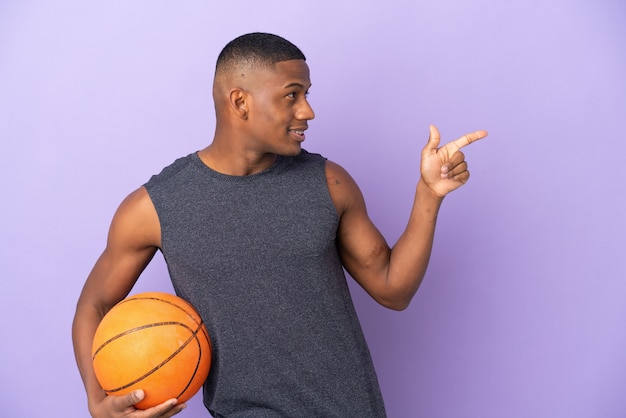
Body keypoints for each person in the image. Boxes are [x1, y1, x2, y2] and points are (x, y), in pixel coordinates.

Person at [72, 32, 487, 418]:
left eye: (306, 95)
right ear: (240, 102)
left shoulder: (330, 183)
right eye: (292, 95)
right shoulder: (153, 208)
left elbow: (394, 290)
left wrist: (428, 195)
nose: (307, 111)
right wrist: (97, 400)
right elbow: (94, 304)